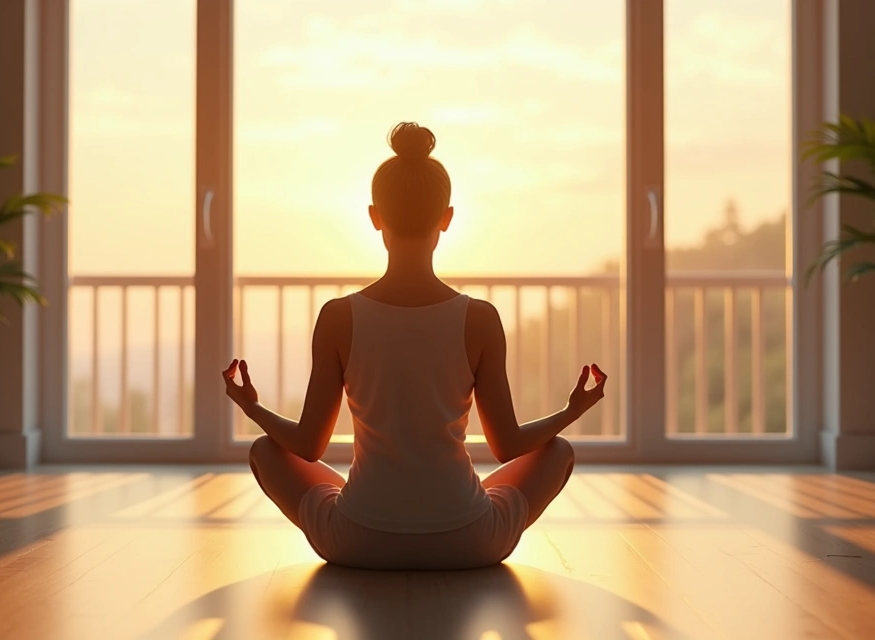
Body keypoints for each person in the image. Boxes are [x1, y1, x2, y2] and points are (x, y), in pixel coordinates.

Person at [222, 122, 607, 571]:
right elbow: (507, 446)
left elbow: (308, 446)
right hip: (468, 539)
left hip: (356, 539)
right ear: (446, 218)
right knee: (558, 451)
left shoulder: (338, 316)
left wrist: (251, 407)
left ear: (373, 216)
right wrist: (571, 410)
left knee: (264, 450)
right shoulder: (479, 318)